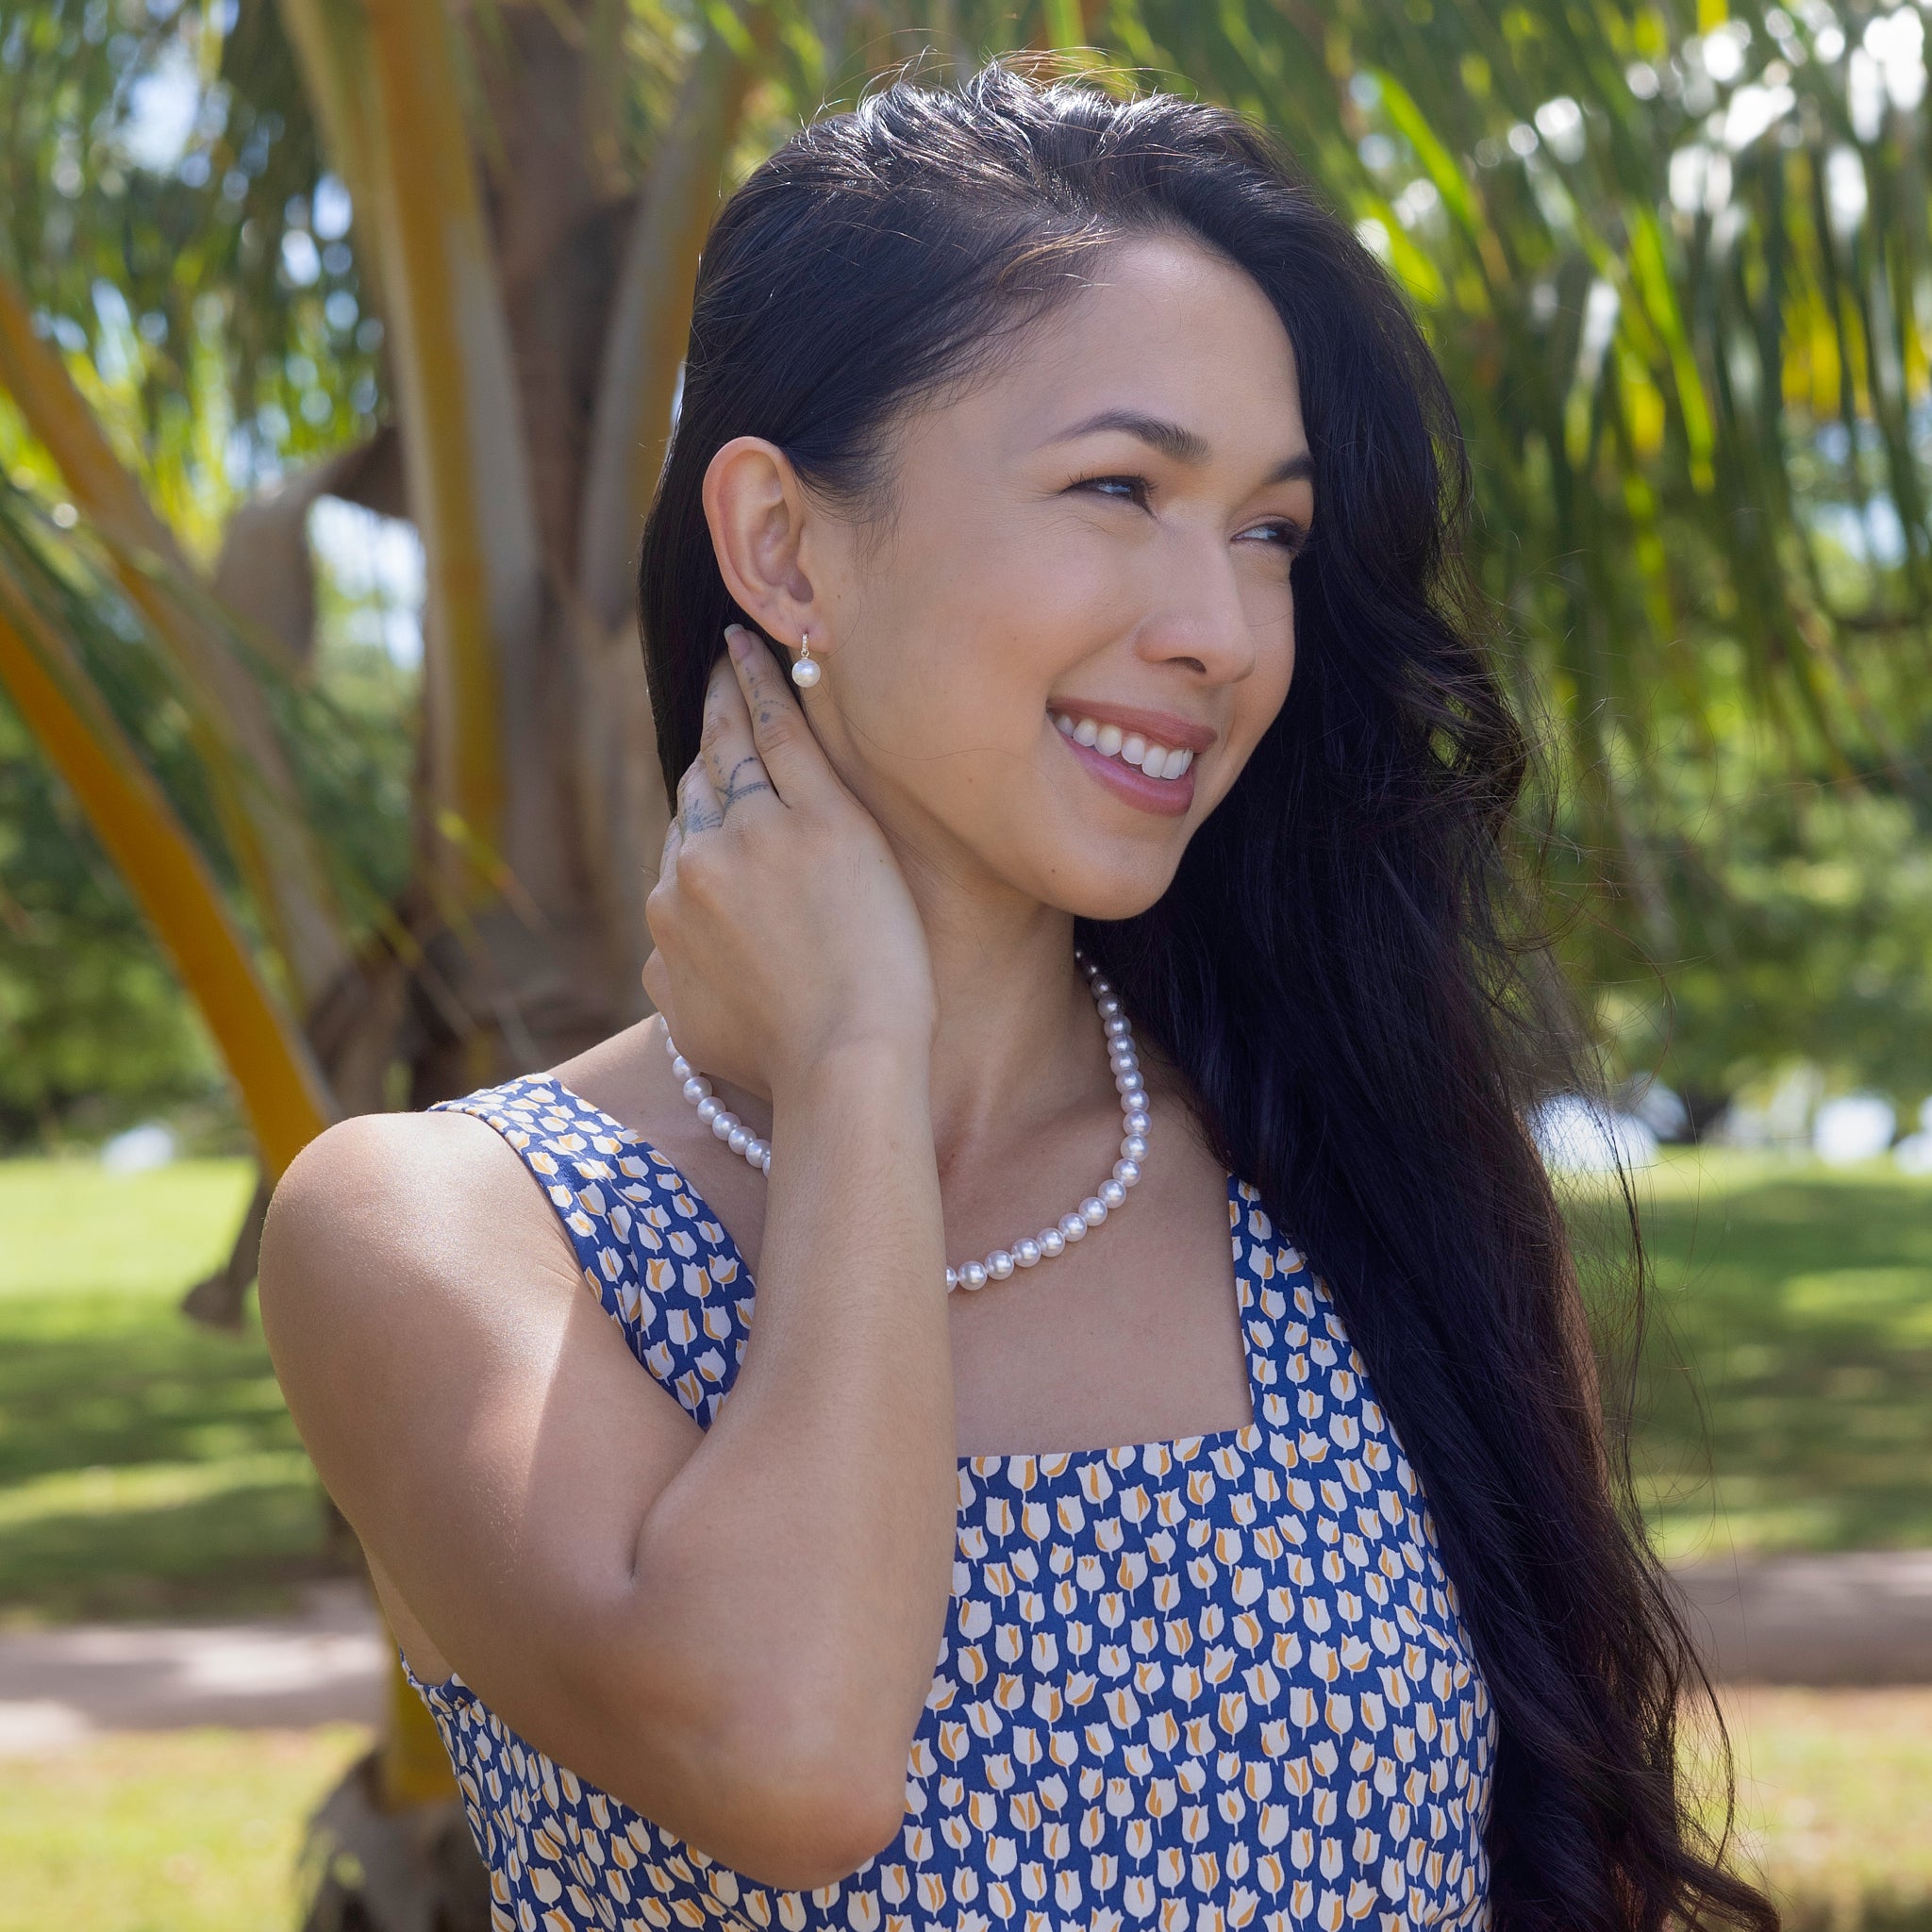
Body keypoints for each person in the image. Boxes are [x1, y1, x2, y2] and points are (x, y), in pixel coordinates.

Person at [259, 57, 1774, 1932]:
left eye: (1269, 530)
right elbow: (790, 1756)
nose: (1218, 628)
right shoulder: (451, 1233)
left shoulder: (1373, 1187)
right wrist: (853, 1057)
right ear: (785, 547)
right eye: (1119, 487)